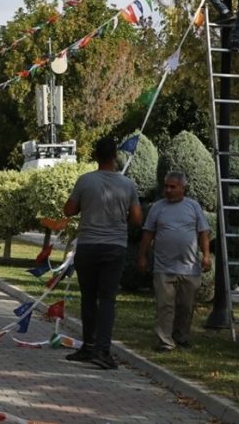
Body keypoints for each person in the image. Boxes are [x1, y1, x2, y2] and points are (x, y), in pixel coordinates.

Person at [62, 137, 143, 370]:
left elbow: (69, 210)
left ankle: (88, 346)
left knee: (88, 297)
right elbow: (137, 219)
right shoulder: (127, 185)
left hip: (88, 245)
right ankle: (102, 350)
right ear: (115, 156)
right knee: (107, 300)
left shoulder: (85, 181)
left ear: (96, 156)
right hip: (114, 247)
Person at [138, 171, 212, 352]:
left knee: (185, 307)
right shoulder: (157, 207)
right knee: (165, 305)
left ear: (182, 188)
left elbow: (203, 232)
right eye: (166, 186)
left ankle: (182, 337)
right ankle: (165, 341)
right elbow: (148, 233)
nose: (169, 190)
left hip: (189, 266)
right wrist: (142, 256)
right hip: (164, 267)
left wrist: (207, 255)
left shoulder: (193, 206)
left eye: (173, 187)